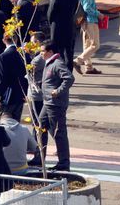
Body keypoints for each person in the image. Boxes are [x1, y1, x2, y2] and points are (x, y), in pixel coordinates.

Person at [39, 40, 74, 172]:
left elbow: (69, 78)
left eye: (43, 51)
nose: (41, 53)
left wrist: (58, 91)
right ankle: (39, 157)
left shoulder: (57, 64)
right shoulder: (49, 63)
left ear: (50, 52)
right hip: (47, 103)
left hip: (56, 104)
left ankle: (64, 163)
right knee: (40, 127)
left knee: (59, 133)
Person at [73, 0, 102, 75]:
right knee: (95, 45)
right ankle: (78, 61)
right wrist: (98, 14)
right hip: (90, 21)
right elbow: (87, 8)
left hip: (84, 21)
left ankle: (89, 67)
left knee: (87, 45)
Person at [26, 32, 46, 166]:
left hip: (36, 96)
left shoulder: (38, 59)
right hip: (39, 95)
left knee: (37, 126)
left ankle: (39, 156)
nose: (31, 44)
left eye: (33, 42)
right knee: (38, 126)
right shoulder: (40, 57)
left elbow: (28, 72)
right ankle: (39, 155)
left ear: (38, 42)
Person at [0, 35, 28, 121]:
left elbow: (1, 79)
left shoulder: (3, 56)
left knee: (4, 124)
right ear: (16, 40)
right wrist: (25, 93)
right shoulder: (23, 55)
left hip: (7, 98)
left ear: (3, 40)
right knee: (16, 124)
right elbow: (26, 76)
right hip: (20, 96)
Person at [47, 0, 76, 67]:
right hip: (69, 26)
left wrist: (51, 23)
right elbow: (75, 9)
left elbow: (50, 13)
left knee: (58, 50)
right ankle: (69, 71)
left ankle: (61, 70)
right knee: (69, 50)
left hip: (57, 27)